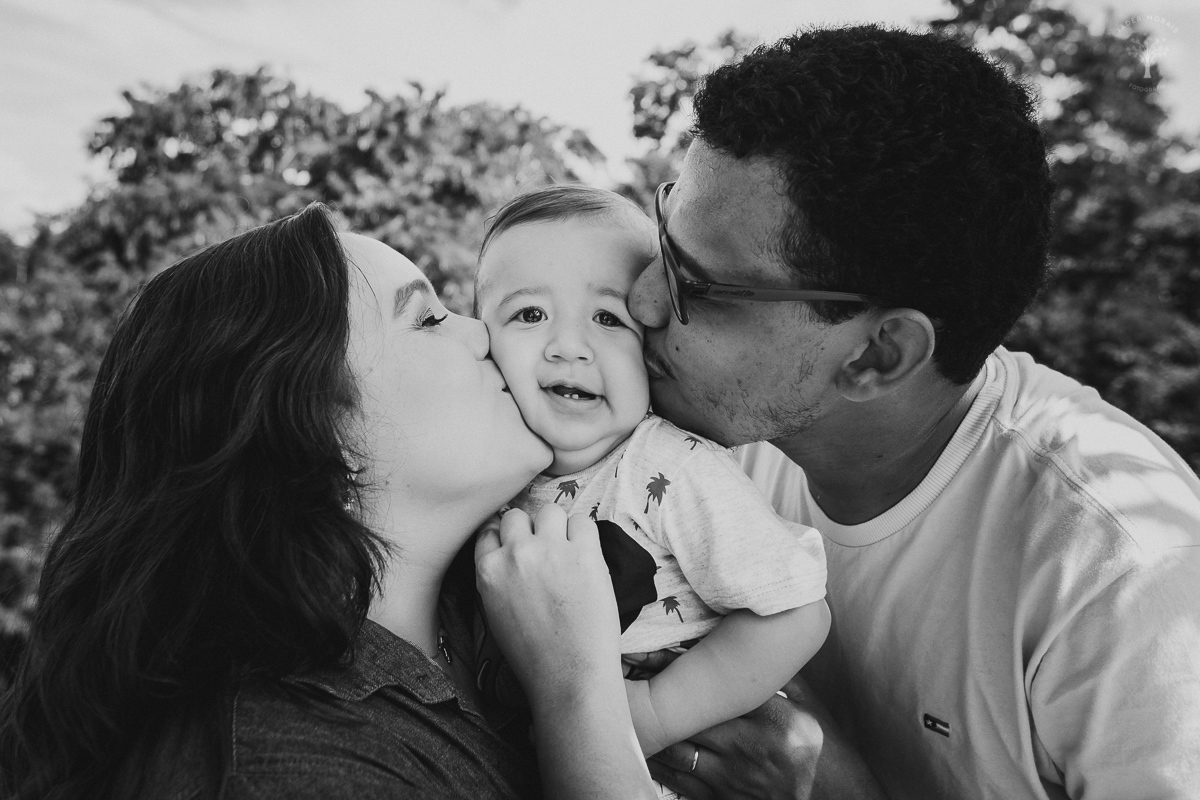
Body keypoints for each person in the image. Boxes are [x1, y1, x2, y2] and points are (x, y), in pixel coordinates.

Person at [624, 25, 1200, 800]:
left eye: (699, 285)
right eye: (662, 232)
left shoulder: (1120, 575)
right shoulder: (699, 439)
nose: (641, 301)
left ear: (878, 355)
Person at [0, 203, 656, 800]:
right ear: (314, 427)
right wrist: (577, 692)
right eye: (428, 318)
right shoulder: (283, 768)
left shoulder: (512, 602)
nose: (483, 333)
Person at [472, 185, 831, 797]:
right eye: (529, 315)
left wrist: (658, 711)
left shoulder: (670, 466)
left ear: (651, 347)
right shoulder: (489, 471)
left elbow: (796, 612)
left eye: (608, 318)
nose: (567, 345)